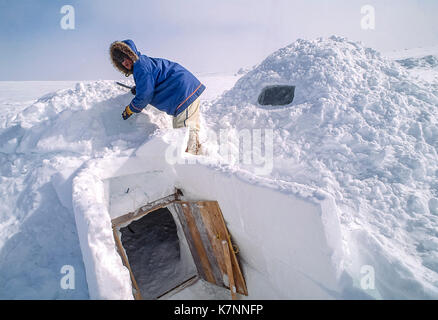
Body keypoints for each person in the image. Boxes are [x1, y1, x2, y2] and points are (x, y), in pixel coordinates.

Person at [109, 39, 205, 154]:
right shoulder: (142, 63)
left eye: (126, 57)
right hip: (184, 92)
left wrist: (131, 109)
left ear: (131, 53)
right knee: (186, 132)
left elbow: (146, 95)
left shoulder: (140, 66)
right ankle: (195, 158)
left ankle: (192, 163)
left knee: (184, 134)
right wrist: (139, 88)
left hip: (183, 93)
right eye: (121, 60)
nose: (125, 62)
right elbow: (151, 81)